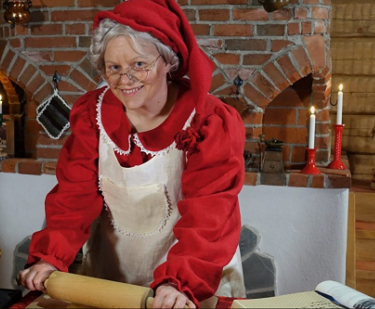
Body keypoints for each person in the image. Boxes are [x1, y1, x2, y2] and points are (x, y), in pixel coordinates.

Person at [17, 0, 246, 308]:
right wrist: (50, 257)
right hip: (112, 277)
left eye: (139, 65)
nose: (125, 80)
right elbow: (72, 197)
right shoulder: (92, 116)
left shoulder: (208, 121)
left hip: (191, 277)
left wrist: (179, 282)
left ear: (168, 61)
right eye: (114, 67)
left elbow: (211, 214)